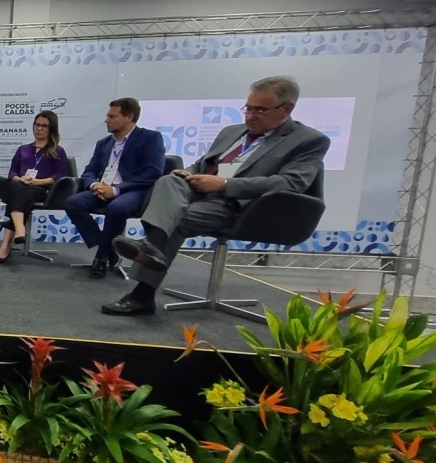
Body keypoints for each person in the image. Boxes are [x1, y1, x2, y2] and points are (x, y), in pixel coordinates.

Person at [108, 76, 330, 316]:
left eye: (260, 110)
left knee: (178, 218)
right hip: (200, 191)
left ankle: (143, 293)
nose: (251, 116)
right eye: (248, 108)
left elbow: (291, 183)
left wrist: (224, 184)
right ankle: (153, 248)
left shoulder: (309, 140)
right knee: (168, 180)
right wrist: (189, 172)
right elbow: (202, 164)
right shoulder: (231, 132)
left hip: (242, 206)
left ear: (286, 109)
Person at [64, 99, 165, 280]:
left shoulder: (150, 138)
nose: (106, 120)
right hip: (102, 188)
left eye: (112, 116)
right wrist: (94, 185)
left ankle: (101, 257)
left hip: (133, 190)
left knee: (116, 208)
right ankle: (110, 249)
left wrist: (117, 189)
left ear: (129, 117)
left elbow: (153, 172)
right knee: (73, 203)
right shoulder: (103, 143)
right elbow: (89, 171)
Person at [0, 110, 71, 263]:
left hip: (41, 189)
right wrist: (19, 179)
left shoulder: (57, 151)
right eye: (37, 124)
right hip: (20, 186)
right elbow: (12, 172)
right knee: (15, 187)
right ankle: (19, 230)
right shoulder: (23, 149)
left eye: (44, 126)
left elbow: (60, 176)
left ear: (51, 129)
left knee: (15, 193)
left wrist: (37, 182)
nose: (39, 128)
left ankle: (6, 244)